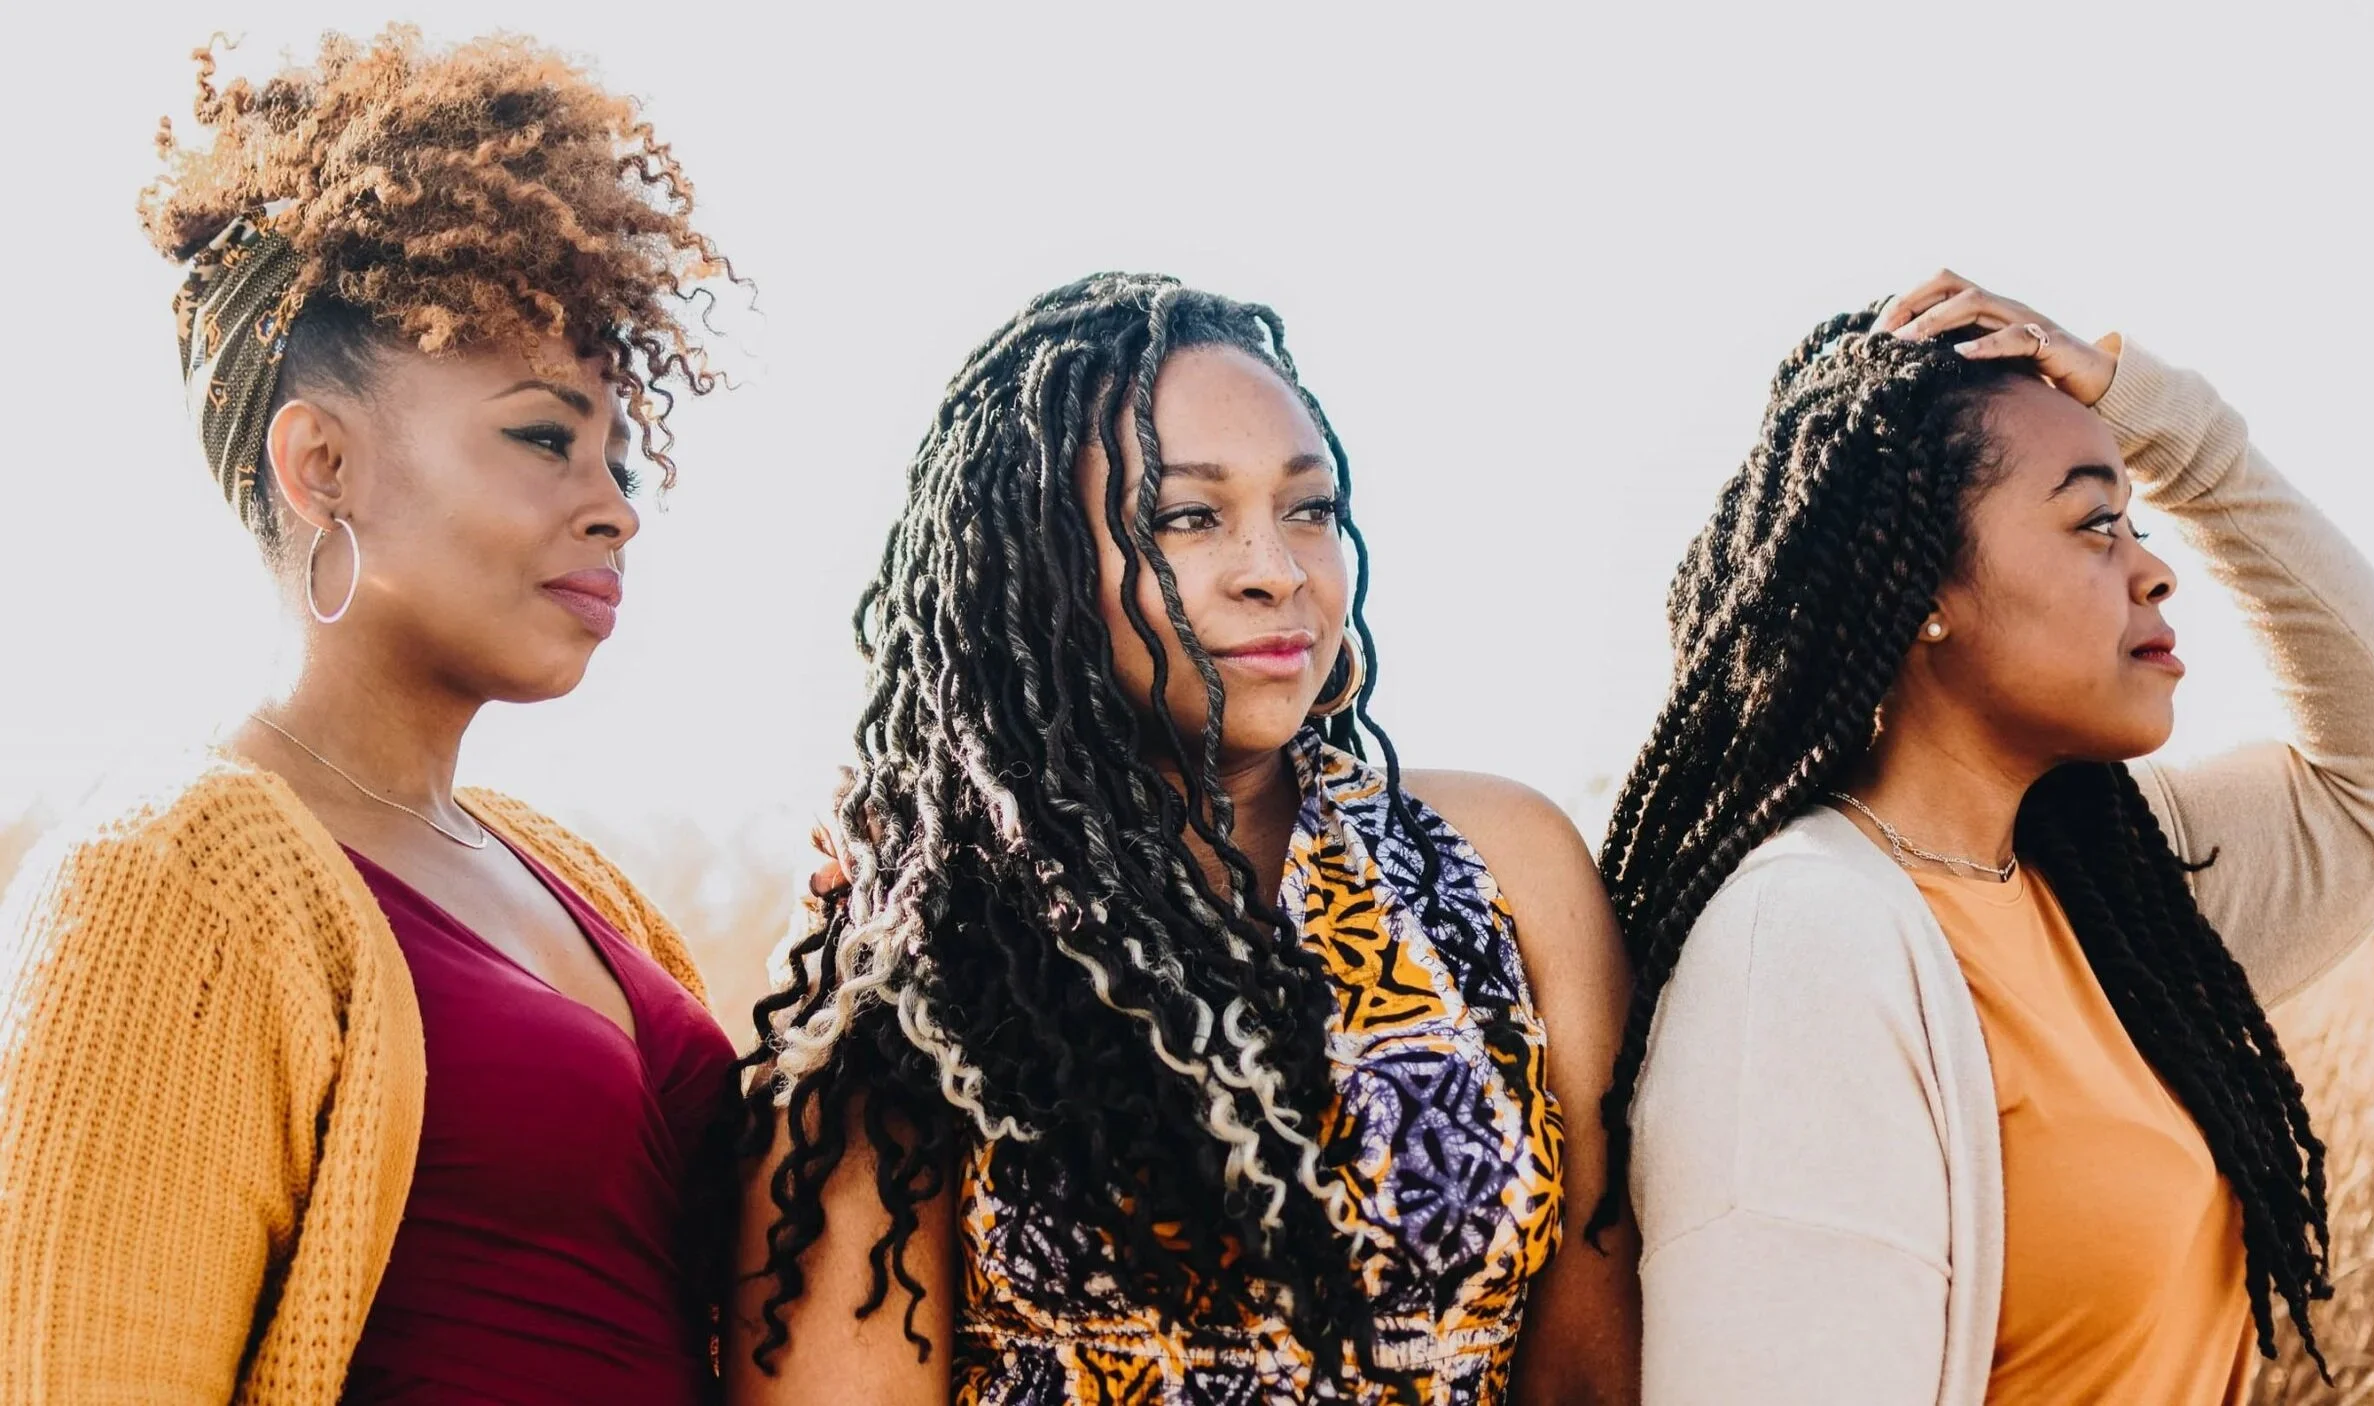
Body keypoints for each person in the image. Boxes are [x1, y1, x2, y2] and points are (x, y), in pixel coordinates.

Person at [729, 274, 1639, 1405]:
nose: (1277, 569)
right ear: (1034, 564)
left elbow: (1591, 1364)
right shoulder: (924, 944)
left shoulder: (1498, 866)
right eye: (1187, 518)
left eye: (1310, 508)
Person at [0, 29, 742, 1403]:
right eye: (544, 436)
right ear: (323, 461)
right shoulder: (167, 875)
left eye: (621, 460)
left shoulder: (581, 885)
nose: (614, 510)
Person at [1597, 270, 2374, 1404]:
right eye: (2095, 522)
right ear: (1922, 588)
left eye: (2138, 523)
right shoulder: (1802, 945)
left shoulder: (2113, 888)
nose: (2155, 569)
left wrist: (2164, 430)